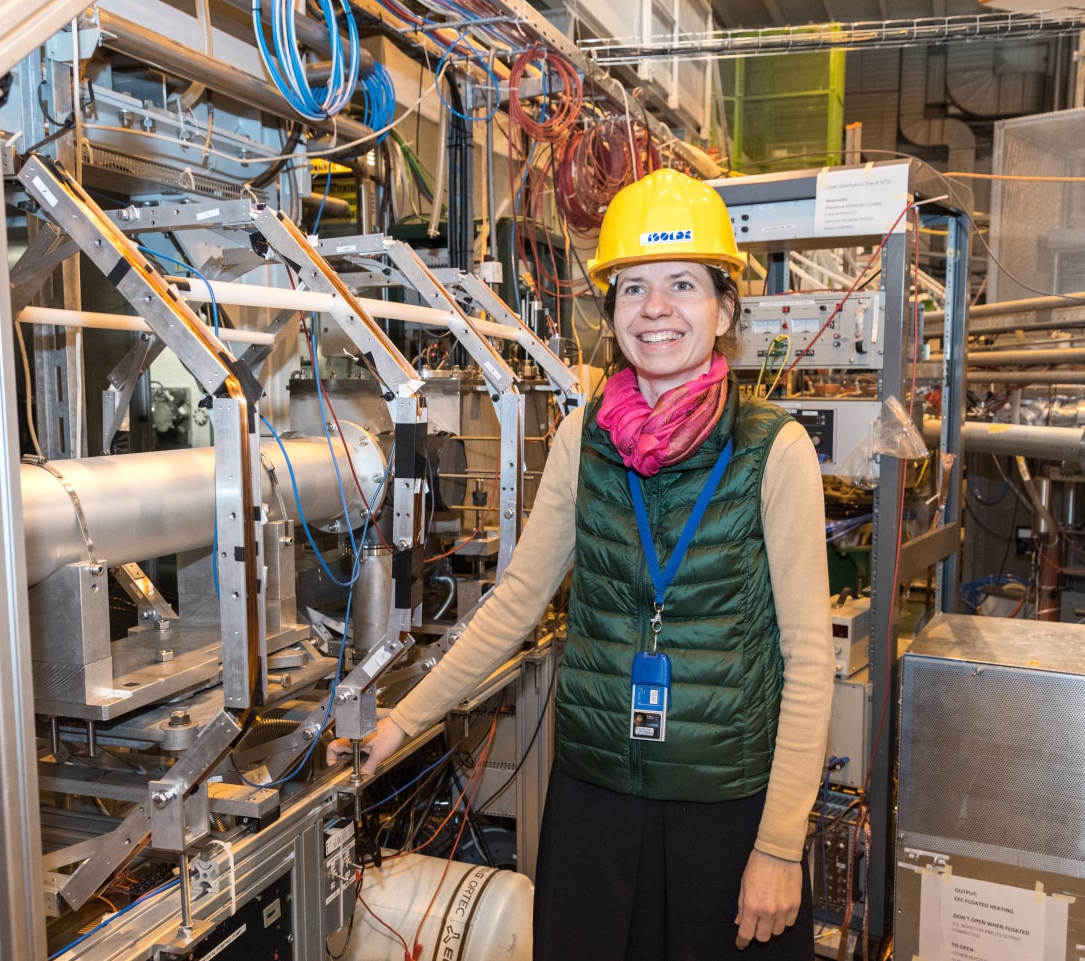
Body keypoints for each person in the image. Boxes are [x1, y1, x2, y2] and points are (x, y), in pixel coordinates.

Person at [327, 168, 833, 960]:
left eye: (683, 285)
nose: (656, 308)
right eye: (633, 289)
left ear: (725, 307)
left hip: (725, 812)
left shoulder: (774, 449)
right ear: (612, 311)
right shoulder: (583, 437)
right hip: (595, 805)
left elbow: (809, 659)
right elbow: (515, 603)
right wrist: (399, 722)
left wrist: (777, 844)